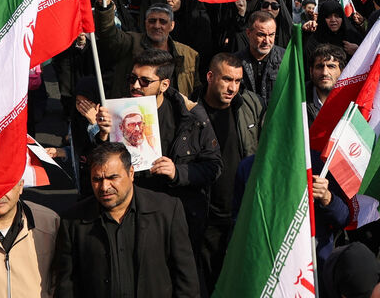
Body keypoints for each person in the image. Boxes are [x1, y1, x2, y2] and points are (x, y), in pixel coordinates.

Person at [94, 49, 221, 264]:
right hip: (132, 213)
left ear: (164, 84)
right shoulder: (119, 112)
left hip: (178, 216)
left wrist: (177, 172)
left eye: (145, 81)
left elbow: (214, 166)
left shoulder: (191, 115)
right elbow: (100, 167)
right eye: (132, 79)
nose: (135, 86)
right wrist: (103, 135)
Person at [53, 142, 200, 298]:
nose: (104, 187)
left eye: (112, 177)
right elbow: (66, 285)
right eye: (97, 179)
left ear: (131, 173)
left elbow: (186, 281)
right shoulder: (73, 221)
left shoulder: (167, 211)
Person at [196, 52, 262, 293]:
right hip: (207, 216)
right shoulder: (190, 112)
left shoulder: (250, 106)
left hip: (242, 213)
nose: (232, 87)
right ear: (210, 77)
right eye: (226, 80)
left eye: (237, 81)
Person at [94, 0, 201, 99]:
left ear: (172, 26)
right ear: (145, 24)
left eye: (163, 21)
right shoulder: (130, 42)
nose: (157, 26)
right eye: (152, 21)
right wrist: (105, 6)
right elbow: (107, 33)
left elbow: (195, 92)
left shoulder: (189, 55)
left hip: (171, 114)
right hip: (134, 111)